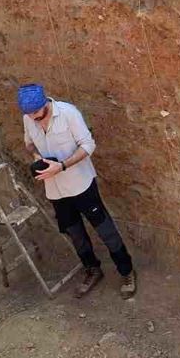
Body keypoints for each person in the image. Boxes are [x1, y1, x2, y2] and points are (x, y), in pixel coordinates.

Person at [18, 83, 137, 299]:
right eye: (29, 114)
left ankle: (126, 271)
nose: (34, 118)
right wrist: (39, 159)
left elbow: (88, 145)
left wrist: (61, 166)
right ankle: (92, 269)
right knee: (75, 234)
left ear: (45, 103)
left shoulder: (68, 113)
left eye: (36, 113)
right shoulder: (28, 118)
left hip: (81, 183)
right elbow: (28, 144)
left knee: (105, 229)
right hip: (55, 189)